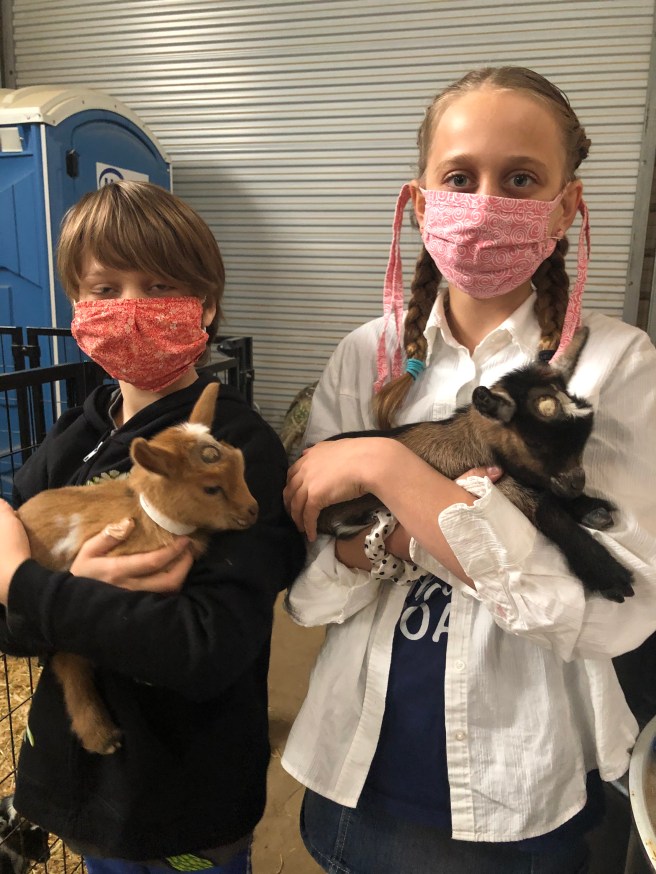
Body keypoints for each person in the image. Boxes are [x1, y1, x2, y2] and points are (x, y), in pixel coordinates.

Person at [281, 67, 656, 874]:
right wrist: (444, 531)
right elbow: (313, 584)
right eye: (459, 178)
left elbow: (612, 607)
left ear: (565, 205)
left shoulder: (615, 364)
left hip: (517, 787)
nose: (485, 203)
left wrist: (387, 466)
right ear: (421, 202)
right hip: (353, 763)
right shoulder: (367, 354)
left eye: (520, 179)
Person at [0, 181, 306, 874]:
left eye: (160, 285)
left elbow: (205, 649)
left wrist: (33, 587)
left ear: (207, 302)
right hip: (77, 786)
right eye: (104, 289)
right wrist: (45, 596)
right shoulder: (74, 437)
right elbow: (9, 626)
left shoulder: (236, 451)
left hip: (178, 803)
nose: (131, 307)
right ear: (77, 305)